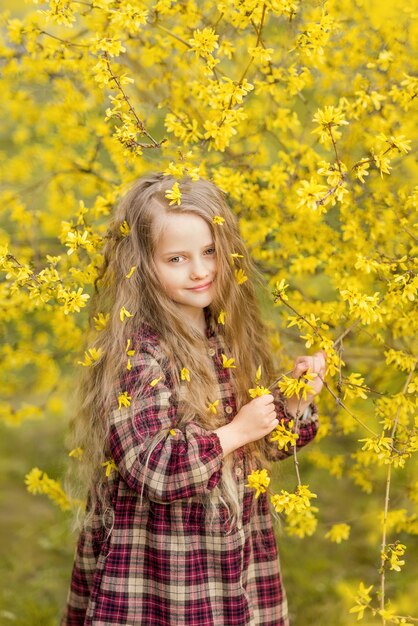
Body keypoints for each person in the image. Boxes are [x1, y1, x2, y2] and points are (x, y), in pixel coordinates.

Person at [62, 172, 326, 626]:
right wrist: (233, 432)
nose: (200, 270)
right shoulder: (140, 356)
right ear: (144, 266)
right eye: (177, 258)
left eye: (209, 252)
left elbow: (262, 446)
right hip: (167, 561)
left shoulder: (225, 338)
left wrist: (295, 402)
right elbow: (153, 467)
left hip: (230, 546)